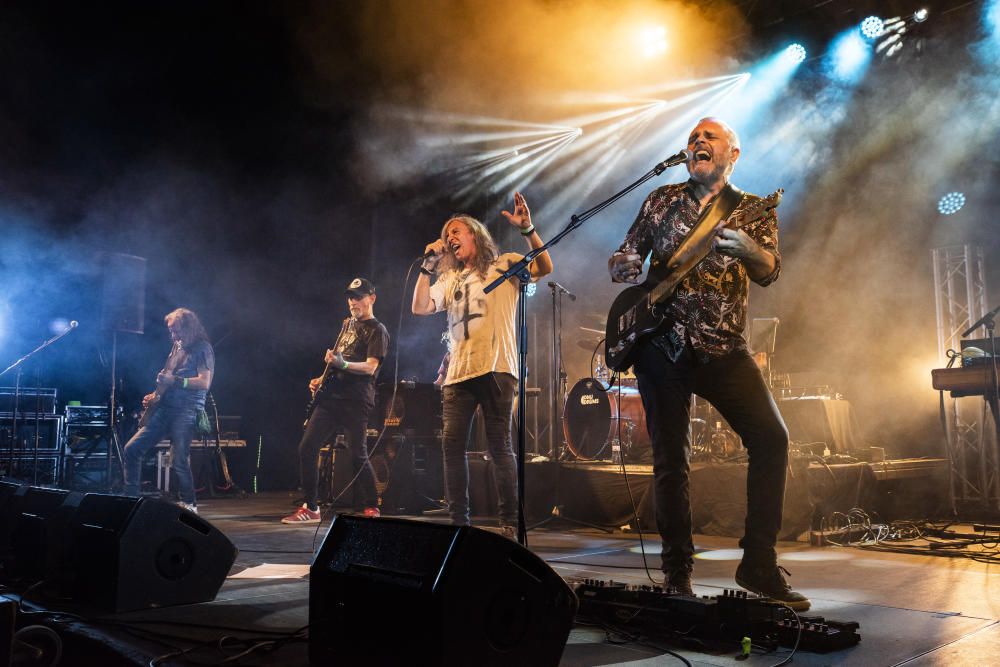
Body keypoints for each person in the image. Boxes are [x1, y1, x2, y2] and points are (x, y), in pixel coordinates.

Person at [608, 117, 809, 610]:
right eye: (694, 137)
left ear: (732, 154)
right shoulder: (659, 200)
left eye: (710, 137)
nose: (699, 142)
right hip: (661, 345)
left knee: (772, 438)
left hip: (722, 346)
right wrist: (621, 265)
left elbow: (769, 270)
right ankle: (677, 571)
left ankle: (758, 564)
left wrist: (748, 249)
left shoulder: (753, 210)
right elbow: (626, 255)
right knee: (670, 462)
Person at [412, 192, 553, 536]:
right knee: (451, 448)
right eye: (447, 235)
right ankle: (459, 524)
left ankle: (508, 525)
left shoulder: (504, 264)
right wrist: (427, 266)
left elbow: (545, 267)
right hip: (459, 373)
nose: (450, 238)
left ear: (475, 234)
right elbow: (419, 307)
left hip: (497, 367)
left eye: (456, 231)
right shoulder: (450, 279)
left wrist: (528, 229)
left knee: (499, 445)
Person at [282, 277, 389, 524]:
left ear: (372, 298)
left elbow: (371, 367)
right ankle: (311, 507)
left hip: (356, 400)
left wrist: (343, 364)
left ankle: (372, 505)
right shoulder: (347, 325)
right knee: (307, 448)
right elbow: (337, 361)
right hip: (331, 398)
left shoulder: (377, 330)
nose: (353, 302)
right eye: (351, 297)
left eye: (359, 297)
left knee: (357, 453)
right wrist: (321, 378)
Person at [123, 308, 214, 513]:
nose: (173, 335)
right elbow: (168, 378)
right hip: (166, 408)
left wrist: (175, 381)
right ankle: (130, 501)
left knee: (179, 459)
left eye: (176, 330)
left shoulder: (203, 348)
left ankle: (190, 505)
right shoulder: (176, 347)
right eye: (171, 331)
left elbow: (204, 382)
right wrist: (155, 395)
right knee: (132, 449)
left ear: (189, 327)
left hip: (187, 409)